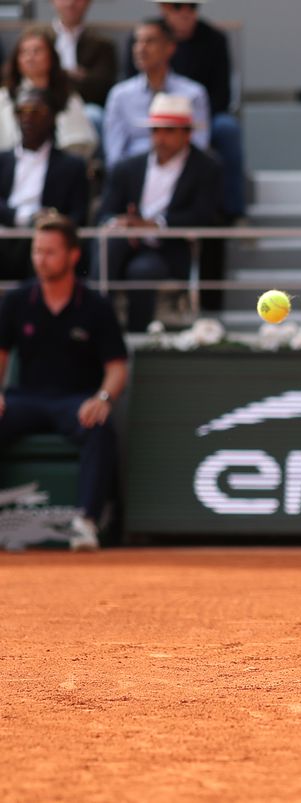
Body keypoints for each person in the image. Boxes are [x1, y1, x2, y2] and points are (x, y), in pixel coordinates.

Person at [0, 213, 128, 552]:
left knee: (100, 426)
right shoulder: (15, 301)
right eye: (36, 251)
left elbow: (117, 367)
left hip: (75, 402)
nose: (41, 260)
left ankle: (86, 522)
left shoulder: (96, 306)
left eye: (50, 252)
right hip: (24, 400)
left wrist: (102, 398)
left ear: (73, 255)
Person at [98, 94, 221, 332]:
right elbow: (105, 213)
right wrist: (122, 223)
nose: (160, 138)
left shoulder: (207, 168)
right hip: (124, 244)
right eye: (156, 130)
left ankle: (136, 336)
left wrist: (157, 225)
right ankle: (98, 325)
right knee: (108, 246)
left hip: (168, 249)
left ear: (187, 134)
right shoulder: (128, 167)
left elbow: (204, 215)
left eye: (168, 131)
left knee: (142, 271)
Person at [149, 0, 245, 219]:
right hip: (155, 119)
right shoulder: (147, 36)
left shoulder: (214, 39)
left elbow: (222, 96)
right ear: (163, 8)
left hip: (200, 117)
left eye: (191, 7)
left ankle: (233, 211)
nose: (185, 13)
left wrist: (185, 123)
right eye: (177, 6)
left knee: (227, 128)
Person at [0, 87, 91, 280]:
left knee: (43, 246)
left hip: (46, 241)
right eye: (21, 111)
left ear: (52, 116)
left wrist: (51, 221)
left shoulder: (72, 166)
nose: (28, 118)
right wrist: (24, 217)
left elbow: (78, 214)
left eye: (36, 111)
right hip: (5, 236)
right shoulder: (1, 161)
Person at [103, 19, 209, 168]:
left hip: (181, 176)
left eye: (150, 41)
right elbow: (114, 154)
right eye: (137, 42)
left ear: (170, 47)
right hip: (133, 177)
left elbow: (198, 146)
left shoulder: (193, 93)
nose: (141, 48)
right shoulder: (119, 95)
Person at [0, 26, 98, 159]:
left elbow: (80, 144)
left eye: (37, 51)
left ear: (51, 57)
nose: (30, 57)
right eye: (24, 52)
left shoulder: (69, 98)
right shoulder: (4, 98)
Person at [50, 0, 117, 112]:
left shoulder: (102, 44)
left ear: (88, 2)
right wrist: (75, 75)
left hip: (85, 105)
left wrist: (55, 73)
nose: (70, 3)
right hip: (43, 103)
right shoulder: (38, 38)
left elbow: (101, 86)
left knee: (93, 114)